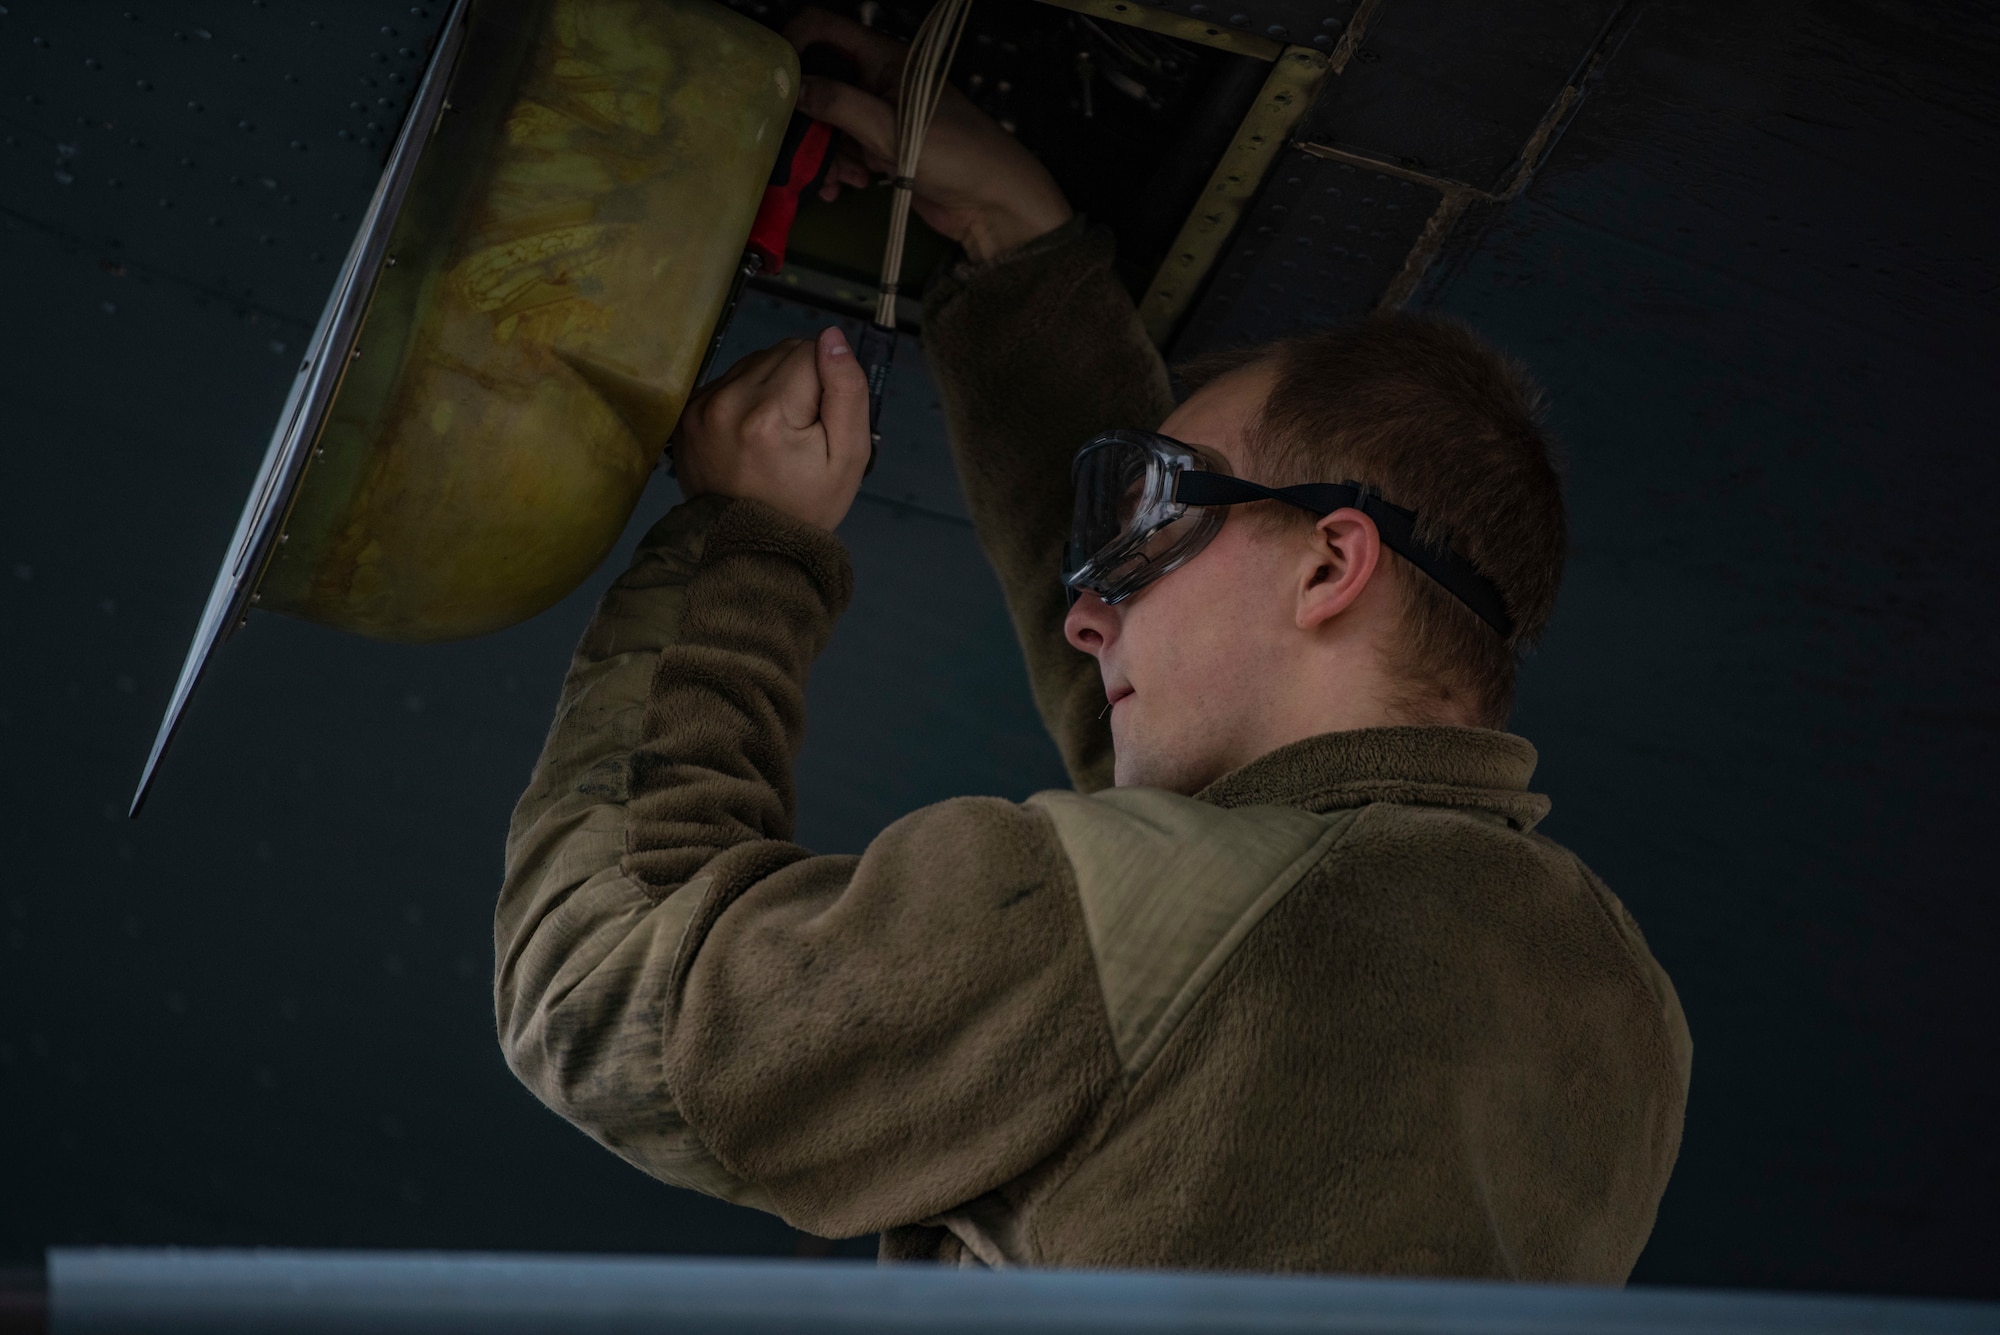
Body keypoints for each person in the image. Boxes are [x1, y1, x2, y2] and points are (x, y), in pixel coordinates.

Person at [494, 9, 1690, 1276]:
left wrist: (744, 547)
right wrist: (1013, 251)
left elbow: (605, 996)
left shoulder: (1157, 916)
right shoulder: (1612, 1012)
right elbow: (1215, 870)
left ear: (1332, 564)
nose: (1085, 612)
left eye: (1156, 517)